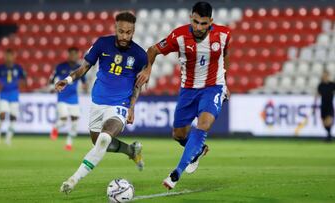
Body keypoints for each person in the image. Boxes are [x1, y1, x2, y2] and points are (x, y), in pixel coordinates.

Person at [136, 1, 231, 189]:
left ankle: (176, 173)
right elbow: (153, 50)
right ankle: (198, 150)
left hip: (213, 87)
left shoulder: (223, 34)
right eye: (195, 22)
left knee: (203, 125)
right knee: (178, 134)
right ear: (191, 18)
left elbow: (225, 53)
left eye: (203, 23)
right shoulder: (179, 36)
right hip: (188, 90)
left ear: (210, 21)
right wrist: (148, 70)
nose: (198, 27)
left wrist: (225, 80)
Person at [56, 12, 147, 194]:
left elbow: (138, 85)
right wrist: (67, 80)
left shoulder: (139, 55)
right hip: (97, 103)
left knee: (105, 138)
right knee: (99, 142)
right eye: (121, 31)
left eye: (129, 32)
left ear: (133, 31)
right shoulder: (102, 44)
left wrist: (131, 106)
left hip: (119, 104)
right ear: (115, 28)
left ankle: (73, 180)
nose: (124, 36)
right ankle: (131, 150)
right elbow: (83, 68)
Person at [49, 47, 87, 151]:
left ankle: (68, 144)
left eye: (75, 54)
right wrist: (52, 87)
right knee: (64, 119)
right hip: (62, 98)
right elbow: (52, 79)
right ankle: (56, 128)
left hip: (74, 99)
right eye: (71, 54)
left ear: (78, 55)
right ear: (68, 55)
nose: (73, 56)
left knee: (75, 121)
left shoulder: (79, 68)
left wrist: (85, 86)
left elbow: (84, 82)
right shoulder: (61, 67)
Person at [0, 48, 26, 145]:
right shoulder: (0, 68)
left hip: (14, 94)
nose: (8, 57)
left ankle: (8, 137)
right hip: (4, 94)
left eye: (10, 55)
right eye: (7, 55)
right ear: (4, 56)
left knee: (13, 117)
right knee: (2, 114)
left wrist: (20, 85)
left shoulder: (18, 68)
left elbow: (23, 79)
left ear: (13, 56)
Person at [316, 70, 335, 142]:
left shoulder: (332, 84)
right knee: (324, 123)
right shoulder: (321, 85)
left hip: (329, 105)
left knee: (329, 121)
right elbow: (318, 94)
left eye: (326, 75)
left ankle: (329, 137)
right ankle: (329, 136)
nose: (324, 76)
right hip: (323, 105)